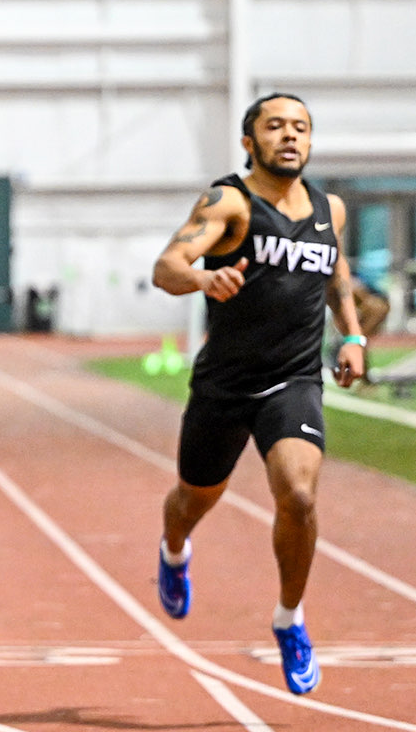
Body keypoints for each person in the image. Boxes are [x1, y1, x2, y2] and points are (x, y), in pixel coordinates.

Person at [150, 93, 366, 696]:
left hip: (293, 380)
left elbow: (336, 275)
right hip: (224, 384)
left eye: (301, 127)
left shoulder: (330, 209)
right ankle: (173, 551)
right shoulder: (229, 203)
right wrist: (203, 277)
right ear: (250, 142)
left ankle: (289, 619)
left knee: (299, 493)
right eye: (275, 126)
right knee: (193, 500)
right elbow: (166, 266)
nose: (290, 136)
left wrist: (352, 335)